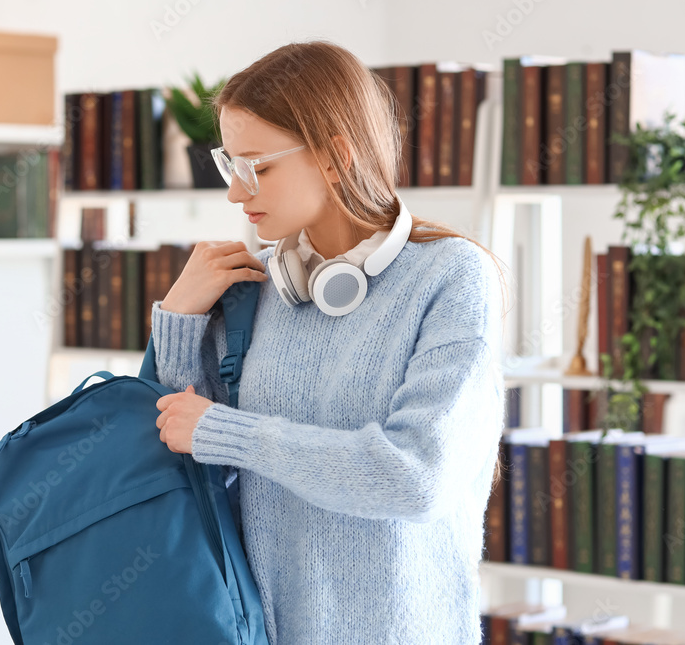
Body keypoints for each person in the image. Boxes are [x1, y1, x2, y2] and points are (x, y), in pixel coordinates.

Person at [152, 39, 507, 645]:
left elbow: (416, 478)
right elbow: (183, 454)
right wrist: (180, 315)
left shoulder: (452, 277)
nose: (237, 193)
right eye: (229, 165)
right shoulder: (256, 285)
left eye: (257, 167)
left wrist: (226, 432)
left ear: (336, 155)